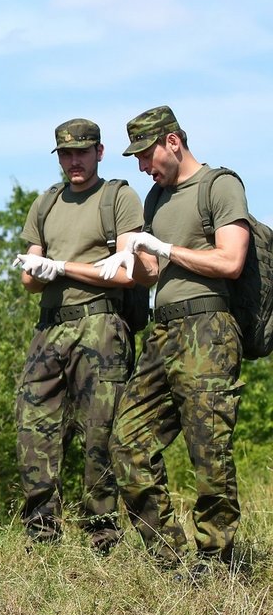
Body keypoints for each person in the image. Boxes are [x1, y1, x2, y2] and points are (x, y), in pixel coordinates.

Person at [96, 105, 248, 576]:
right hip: (164, 331)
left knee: (210, 451)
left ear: (173, 142)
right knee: (126, 442)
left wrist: (166, 248)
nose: (142, 166)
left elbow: (229, 262)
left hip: (209, 327)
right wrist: (130, 258)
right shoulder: (154, 200)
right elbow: (152, 275)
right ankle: (168, 554)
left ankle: (216, 562)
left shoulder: (219, 186)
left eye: (146, 154)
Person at [11, 118, 142, 553]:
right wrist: (38, 269)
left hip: (100, 323)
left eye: (81, 152)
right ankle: (41, 534)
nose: (73, 161)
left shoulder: (117, 197)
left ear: (99, 152)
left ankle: (101, 534)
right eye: (66, 154)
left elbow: (129, 272)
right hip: (50, 324)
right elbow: (30, 281)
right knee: (33, 427)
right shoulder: (45, 203)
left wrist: (63, 267)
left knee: (98, 433)